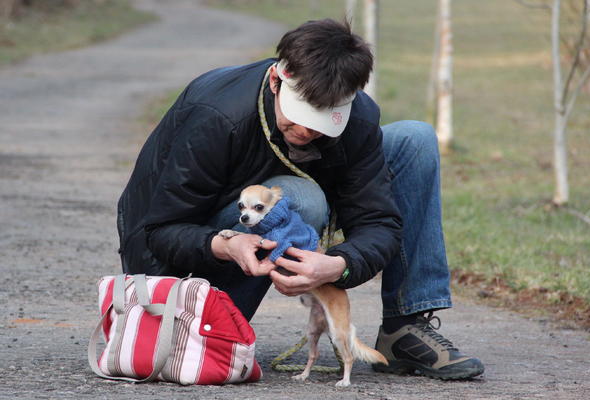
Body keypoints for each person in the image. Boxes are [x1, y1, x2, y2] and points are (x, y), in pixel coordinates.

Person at [117, 19, 484, 380]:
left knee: (414, 141)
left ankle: (403, 329)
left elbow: (379, 222)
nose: (307, 130)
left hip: (281, 203)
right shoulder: (217, 115)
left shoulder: (357, 116)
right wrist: (228, 245)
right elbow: (160, 230)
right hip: (181, 246)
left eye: (324, 120)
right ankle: (216, 321)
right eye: (300, 115)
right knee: (301, 198)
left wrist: (339, 265)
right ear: (277, 80)